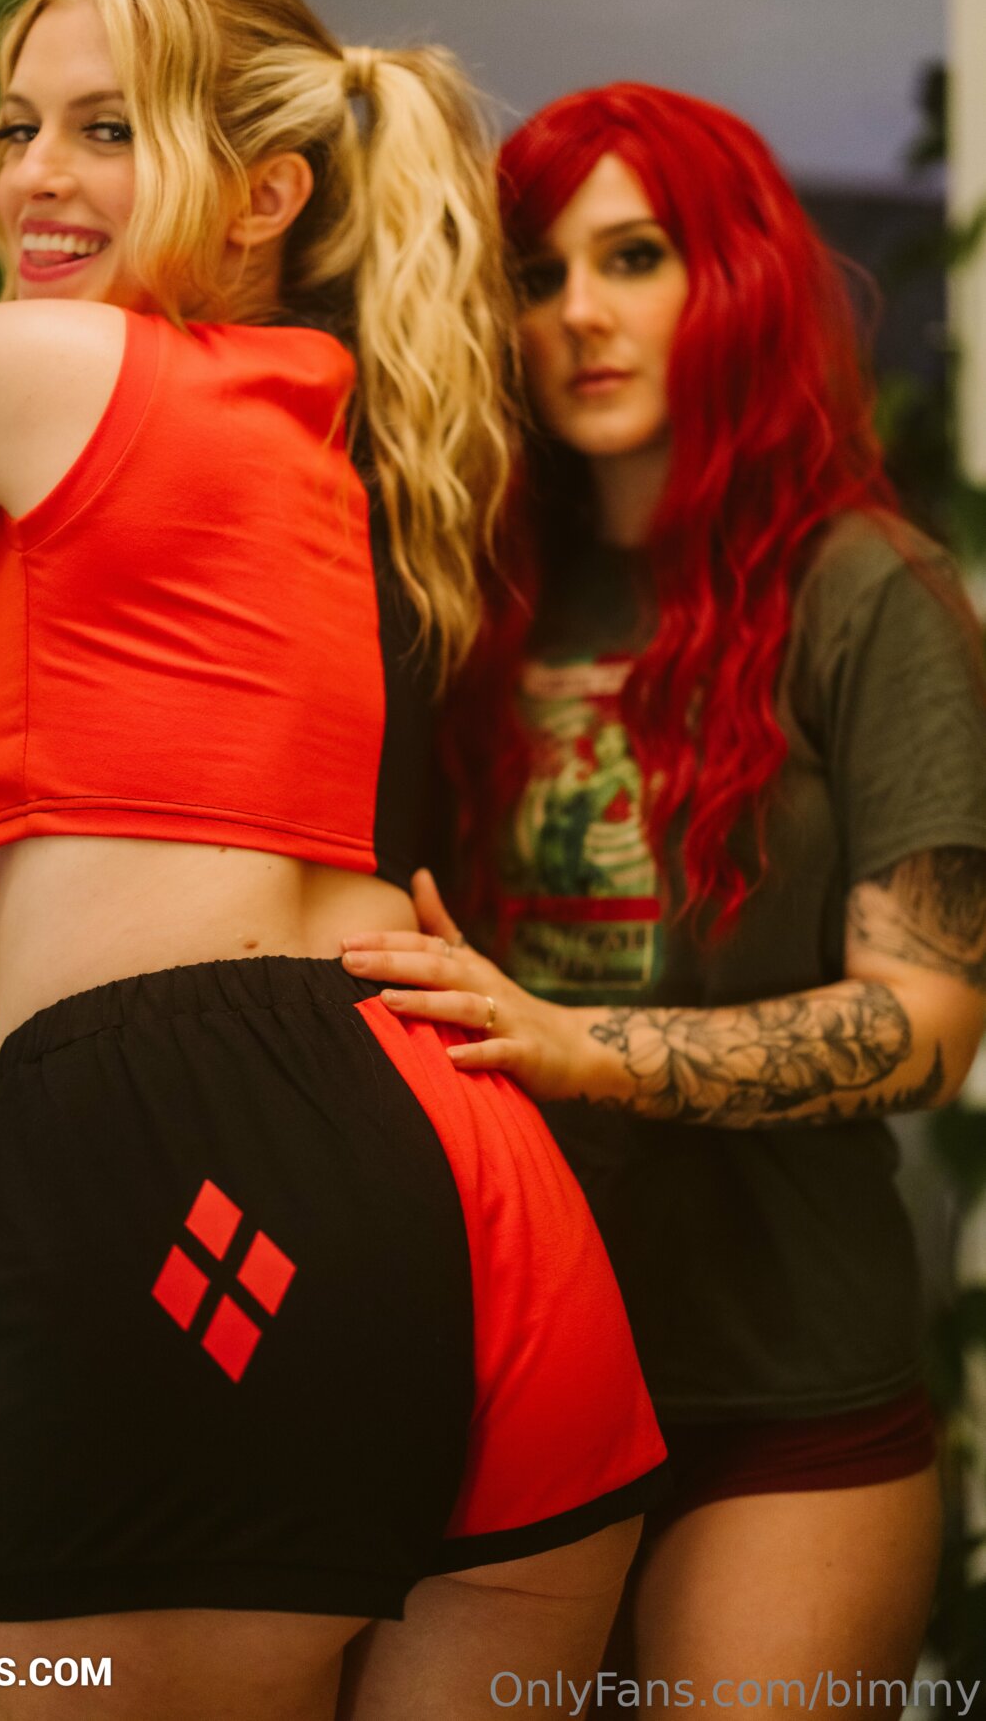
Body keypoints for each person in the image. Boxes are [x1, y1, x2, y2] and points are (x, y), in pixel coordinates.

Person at [0, 0, 667, 1721]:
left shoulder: (50, 366)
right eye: (17, 126)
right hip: (472, 1161)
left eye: (108, 129)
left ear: (265, 194)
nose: (35, 174)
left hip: (203, 1144)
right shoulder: (282, 436)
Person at [339, 83, 986, 1715]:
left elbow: (929, 1026)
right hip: (494, 1374)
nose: (581, 313)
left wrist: (587, 1050)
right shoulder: (465, 588)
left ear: (738, 281)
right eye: (539, 274)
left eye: (634, 257)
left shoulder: (871, 593)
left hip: (783, 1398)